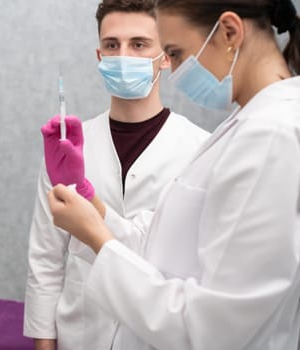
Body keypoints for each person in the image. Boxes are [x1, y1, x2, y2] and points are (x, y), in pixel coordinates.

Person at [45, 0, 300, 349]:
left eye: (176, 54)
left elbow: (214, 329)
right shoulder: (250, 125)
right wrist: (91, 204)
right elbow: (167, 243)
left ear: (229, 32)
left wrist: (96, 238)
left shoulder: (270, 136)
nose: (177, 73)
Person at [23, 1, 209, 349]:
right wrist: (45, 344)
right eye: (112, 45)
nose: (124, 56)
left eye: (139, 44)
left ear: (166, 55)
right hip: (80, 334)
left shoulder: (201, 149)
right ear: (99, 56)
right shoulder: (69, 148)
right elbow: (45, 257)